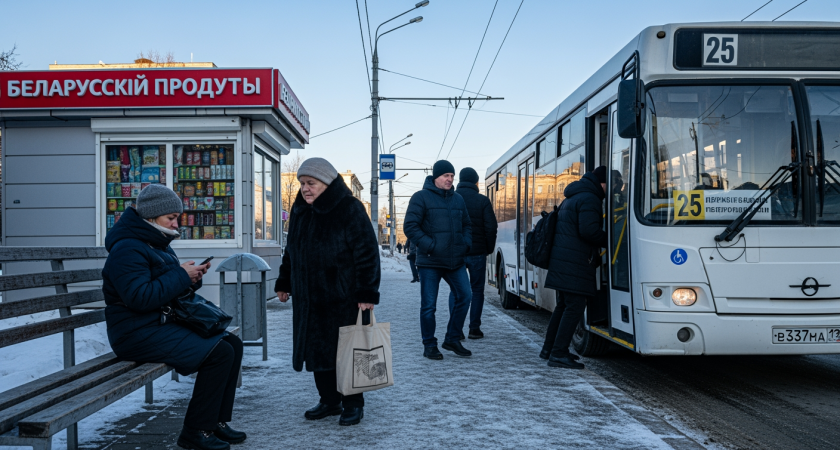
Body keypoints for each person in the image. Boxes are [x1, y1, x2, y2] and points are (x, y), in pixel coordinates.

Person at [102, 184, 245, 450]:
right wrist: (181, 275)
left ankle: (215, 422)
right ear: (150, 216)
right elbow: (139, 298)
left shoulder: (156, 241)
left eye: (177, 217)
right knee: (219, 354)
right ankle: (195, 431)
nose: (176, 223)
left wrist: (190, 279)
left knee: (232, 345)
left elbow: (162, 289)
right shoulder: (128, 249)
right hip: (135, 333)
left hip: (158, 324)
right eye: (170, 218)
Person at [274, 157, 381, 426]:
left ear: (327, 182)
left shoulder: (350, 208)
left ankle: (353, 403)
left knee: (348, 350)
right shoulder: (300, 210)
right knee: (317, 350)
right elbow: (292, 251)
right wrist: (284, 282)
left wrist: (367, 293)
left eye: (311, 183)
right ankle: (329, 400)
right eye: (302, 183)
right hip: (309, 298)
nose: (305, 188)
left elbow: (367, 253)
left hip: (342, 297)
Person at [404, 160, 473, 360]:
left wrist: (465, 243)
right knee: (429, 306)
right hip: (430, 262)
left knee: (465, 296)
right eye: (446, 176)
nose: (450, 179)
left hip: (455, 261)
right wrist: (430, 245)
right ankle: (429, 345)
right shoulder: (421, 197)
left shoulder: (458, 199)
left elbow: (467, 225)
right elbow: (410, 226)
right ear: (435, 177)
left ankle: (452, 338)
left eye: (452, 176)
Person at [541, 166, 608, 370]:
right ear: (602, 183)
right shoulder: (590, 198)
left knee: (563, 306)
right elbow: (589, 231)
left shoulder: (574, 196)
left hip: (564, 261)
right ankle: (558, 354)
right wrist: (611, 240)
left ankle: (549, 349)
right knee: (574, 307)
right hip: (575, 263)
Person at [452, 167, 498, 340]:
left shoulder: (452, 199)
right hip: (478, 252)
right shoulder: (482, 200)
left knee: (456, 291)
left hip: (456, 252)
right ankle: (474, 328)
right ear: (476, 182)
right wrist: (489, 248)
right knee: (477, 290)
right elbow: (491, 227)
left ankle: (456, 329)